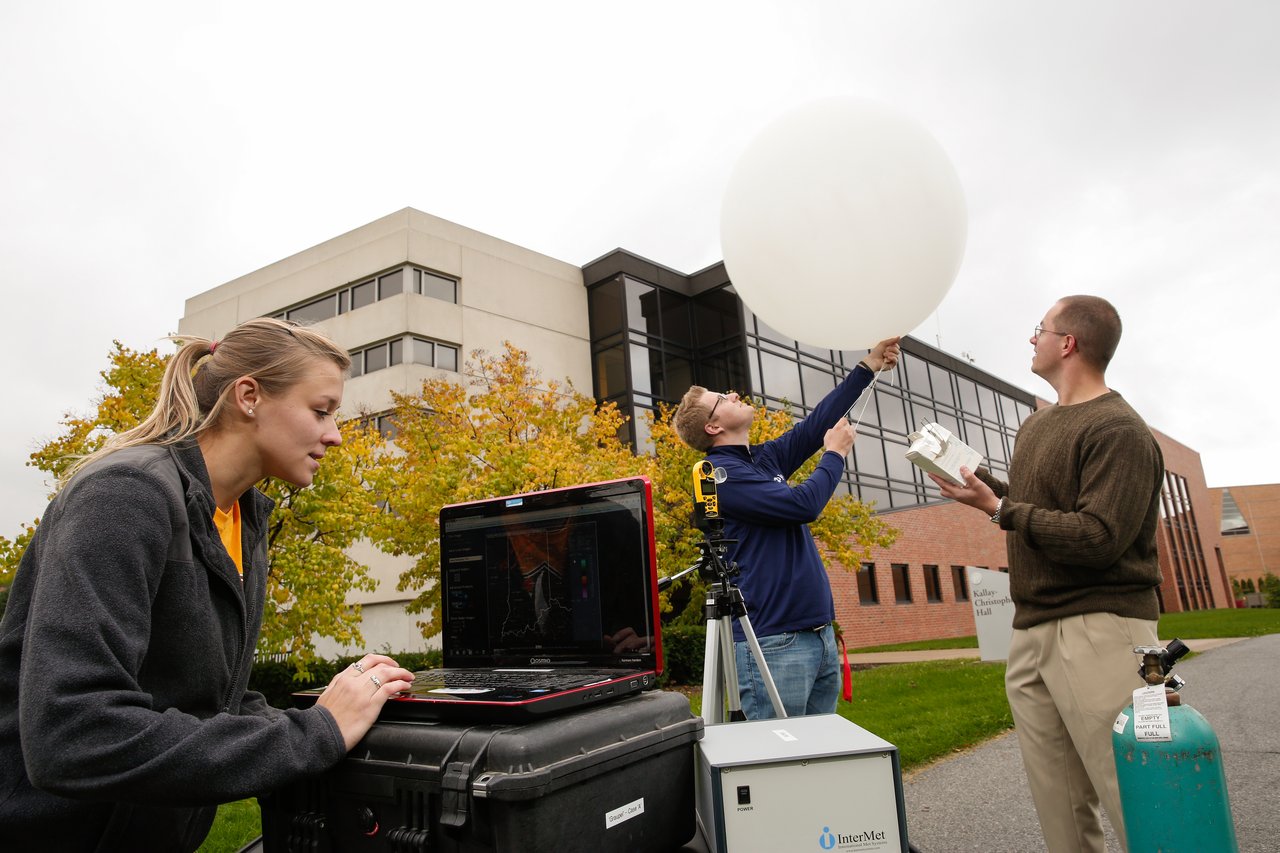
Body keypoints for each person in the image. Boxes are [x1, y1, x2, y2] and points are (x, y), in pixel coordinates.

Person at [0, 318, 415, 851]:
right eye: (321, 410)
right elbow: (72, 733)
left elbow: (208, 703)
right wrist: (314, 734)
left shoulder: (241, 520)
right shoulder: (126, 495)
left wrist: (334, 713)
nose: (334, 434)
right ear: (249, 396)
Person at [928, 295, 1163, 853]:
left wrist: (1001, 510)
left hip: (1102, 630)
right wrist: (985, 490)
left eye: (1040, 330)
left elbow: (1098, 538)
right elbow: (1040, 508)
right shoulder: (1035, 427)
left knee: (1135, 797)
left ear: (1069, 344)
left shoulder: (1120, 431)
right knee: (1058, 807)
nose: (1031, 339)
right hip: (1031, 630)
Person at [672, 337, 900, 719]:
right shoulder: (723, 477)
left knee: (818, 762)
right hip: (774, 645)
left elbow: (815, 426)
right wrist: (834, 455)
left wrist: (868, 366)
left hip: (818, 635)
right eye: (721, 399)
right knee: (779, 766)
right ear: (712, 427)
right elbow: (803, 505)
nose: (731, 394)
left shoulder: (763, 458)